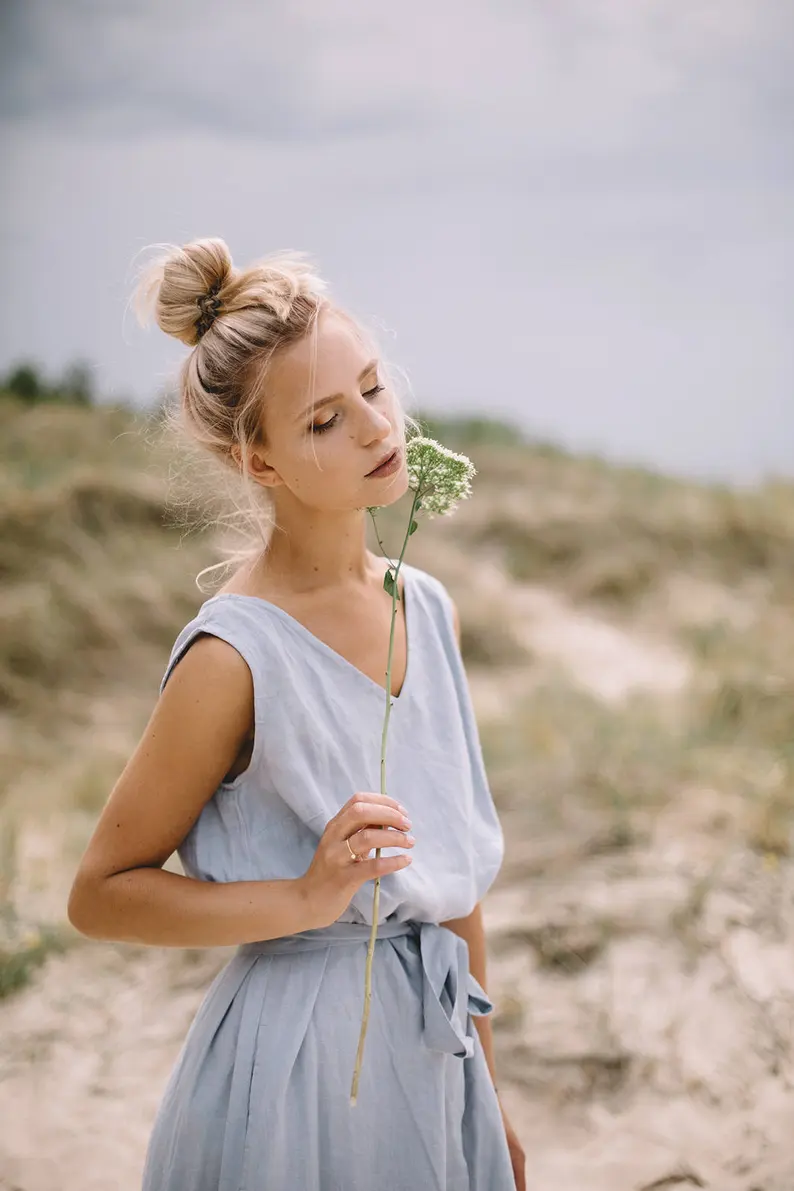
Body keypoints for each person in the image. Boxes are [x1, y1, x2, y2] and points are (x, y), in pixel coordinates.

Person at [67, 239, 526, 1190]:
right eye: (325, 419)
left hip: (437, 1061)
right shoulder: (234, 655)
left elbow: (454, 888)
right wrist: (309, 898)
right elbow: (101, 892)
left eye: (372, 388)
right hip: (294, 1077)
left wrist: (490, 1096)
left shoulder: (423, 605)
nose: (374, 427)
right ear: (258, 459)